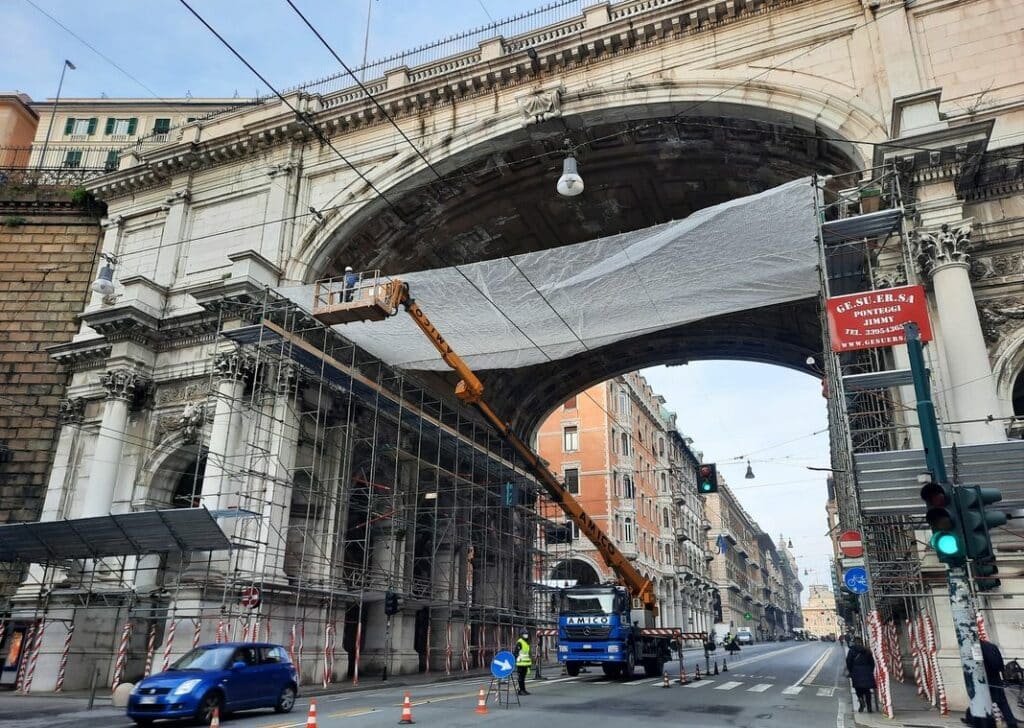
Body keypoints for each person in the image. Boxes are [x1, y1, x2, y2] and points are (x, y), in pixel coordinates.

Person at [963, 640, 1020, 728]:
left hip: (985, 679)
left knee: (982, 702)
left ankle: (976, 720)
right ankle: (1012, 723)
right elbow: (1000, 663)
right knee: (1002, 703)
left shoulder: (977, 648)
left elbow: (977, 665)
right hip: (996, 677)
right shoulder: (992, 646)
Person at [845, 637, 876, 713]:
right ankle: (869, 707)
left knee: (858, 688)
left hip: (856, 672)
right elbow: (872, 663)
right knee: (867, 690)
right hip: (866, 671)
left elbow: (848, 662)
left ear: (854, 642)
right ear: (861, 642)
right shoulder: (867, 651)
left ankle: (861, 700)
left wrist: (851, 671)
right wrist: (870, 671)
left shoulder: (852, 651)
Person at [513, 630, 532, 695]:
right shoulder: (520, 642)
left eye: (526, 634)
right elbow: (515, 653)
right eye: (524, 634)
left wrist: (529, 664)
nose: (526, 635)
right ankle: (520, 690)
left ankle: (523, 690)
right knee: (520, 678)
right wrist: (518, 659)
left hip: (525, 663)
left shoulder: (526, 642)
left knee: (523, 678)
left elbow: (527, 654)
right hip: (520, 663)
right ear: (521, 635)